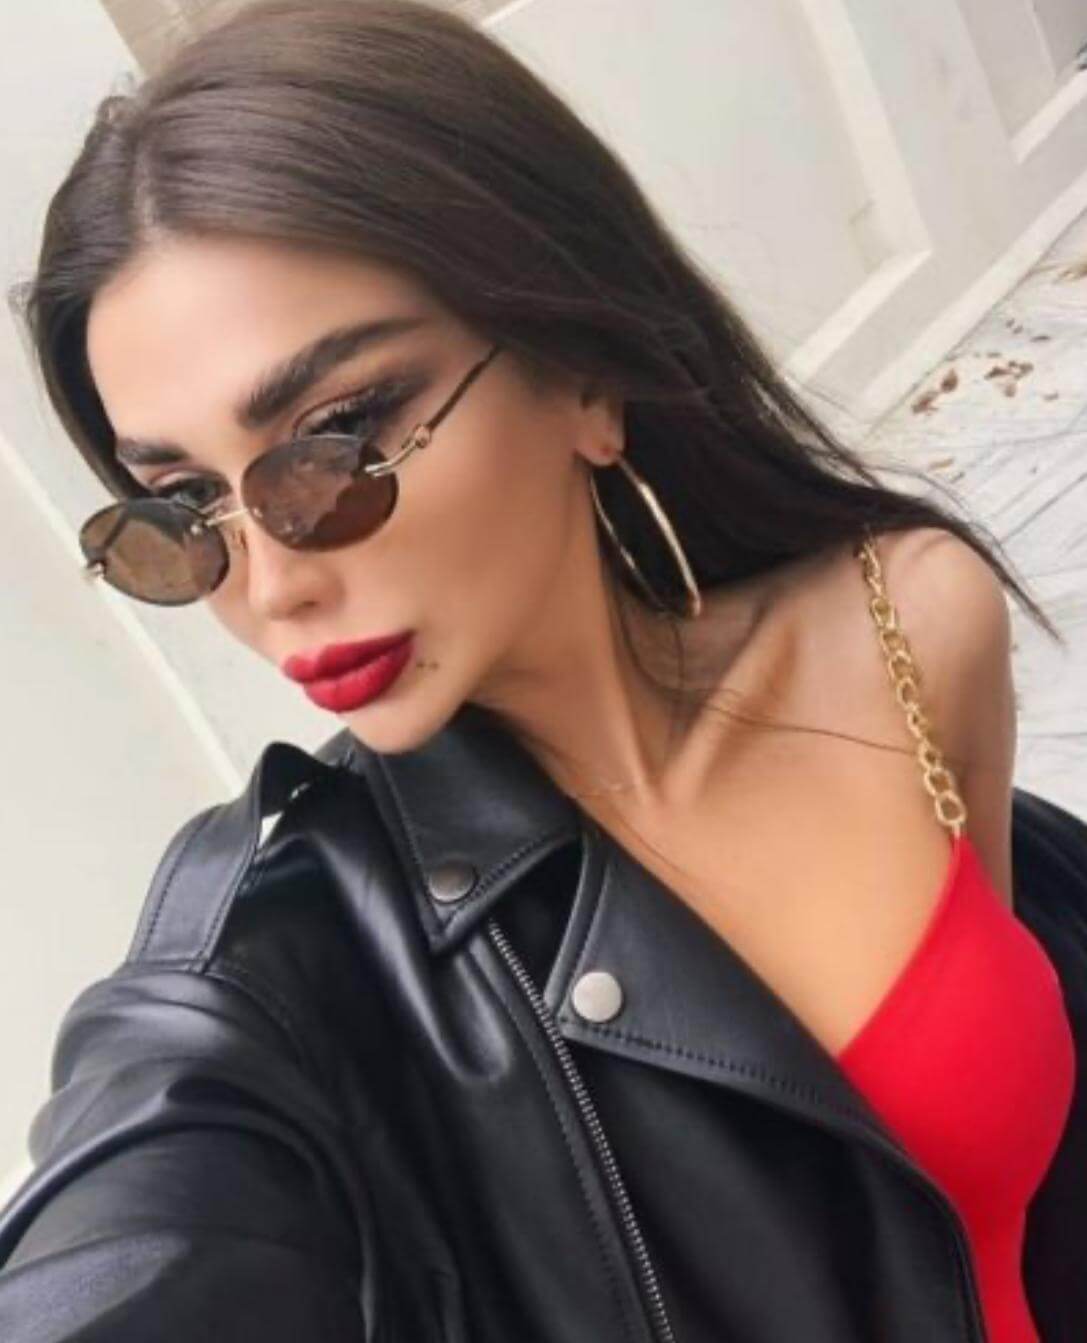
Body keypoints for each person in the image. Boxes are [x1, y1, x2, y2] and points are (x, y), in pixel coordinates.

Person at [1, 2, 1083, 1339]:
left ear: (581, 373)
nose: (272, 587)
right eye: (181, 509)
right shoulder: (297, 964)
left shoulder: (907, 616)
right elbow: (140, 1211)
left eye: (338, 441)